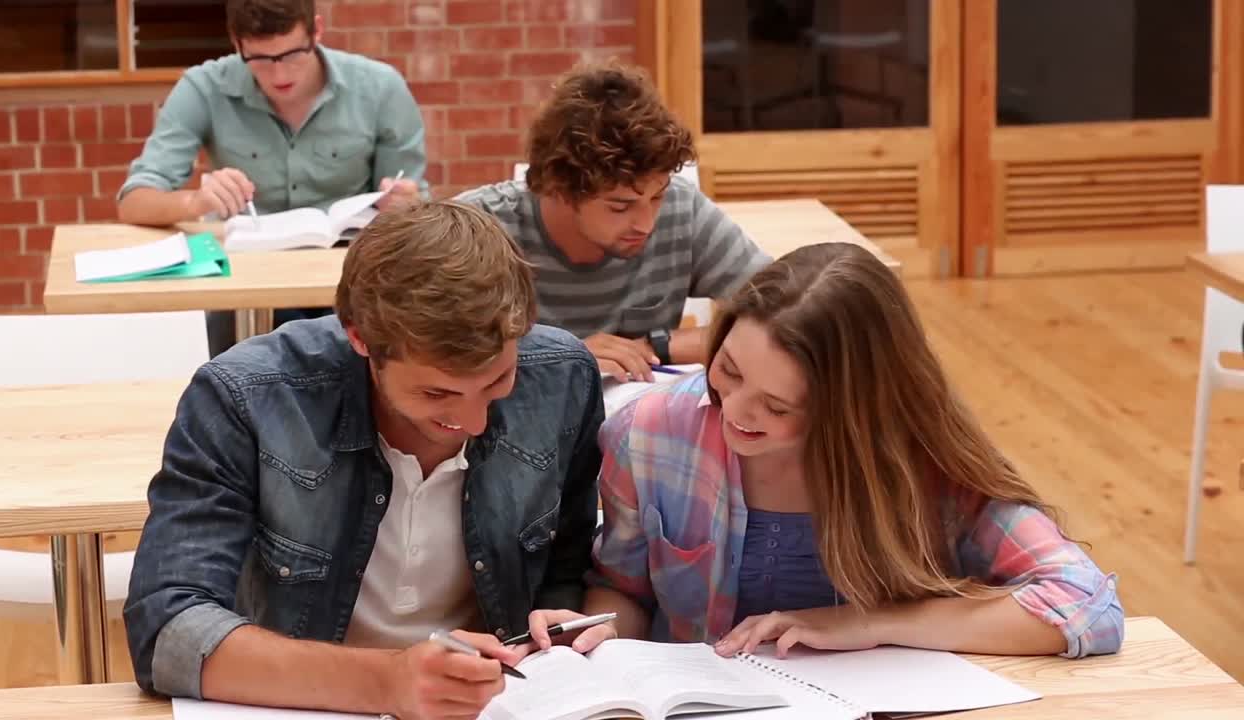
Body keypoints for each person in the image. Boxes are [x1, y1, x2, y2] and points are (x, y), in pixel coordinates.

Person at [525, 242, 1124, 661]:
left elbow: (1086, 606)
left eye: (778, 406)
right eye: (728, 370)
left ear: (852, 412)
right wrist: (600, 631)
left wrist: (867, 624)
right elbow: (625, 588)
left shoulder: (922, 463)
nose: (735, 412)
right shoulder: (650, 432)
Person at [124, 201, 604, 720]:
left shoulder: (563, 378)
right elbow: (167, 629)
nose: (474, 422)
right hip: (303, 706)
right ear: (359, 338)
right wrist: (387, 681)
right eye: (436, 393)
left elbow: (568, 570)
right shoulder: (247, 396)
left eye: (497, 381)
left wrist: (562, 629)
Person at [116, 0, 428, 350]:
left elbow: (413, 210)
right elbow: (134, 202)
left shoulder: (380, 87)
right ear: (237, 44)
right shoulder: (204, 87)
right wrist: (196, 201)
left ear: (316, 31)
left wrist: (404, 203)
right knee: (242, 364)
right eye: (260, 59)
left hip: (349, 282)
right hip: (247, 289)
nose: (279, 75)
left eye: (292, 55)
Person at [455, 61, 771, 383]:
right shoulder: (478, 229)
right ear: (559, 189)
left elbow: (785, 310)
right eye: (621, 206)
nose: (646, 224)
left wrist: (657, 346)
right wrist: (562, 357)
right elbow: (432, 350)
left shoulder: (681, 208)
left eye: (657, 197)